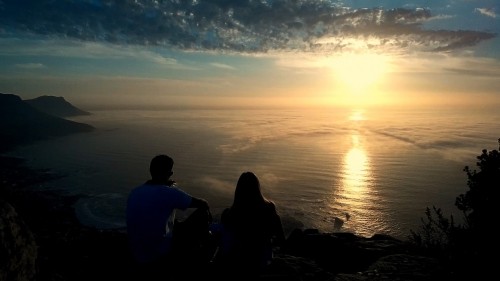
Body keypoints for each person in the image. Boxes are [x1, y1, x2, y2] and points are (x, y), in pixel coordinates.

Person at [126, 154, 213, 278]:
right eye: (171, 171)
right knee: (203, 212)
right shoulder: (169, 193)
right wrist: (170, 189)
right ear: (168, 173)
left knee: (173, 221)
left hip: (136, 252)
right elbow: (203, 203)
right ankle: (201, 253)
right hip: (158, 253)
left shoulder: (135, 192)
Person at [213, 171, 286, 277]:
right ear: (258, 188)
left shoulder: (229, 214)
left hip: (238, 262)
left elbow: (224, 242)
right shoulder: (269, 208)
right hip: (263, 261)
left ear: (238, 190)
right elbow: (281, 240)